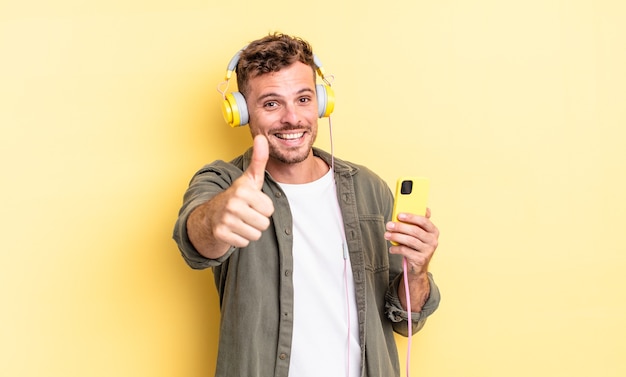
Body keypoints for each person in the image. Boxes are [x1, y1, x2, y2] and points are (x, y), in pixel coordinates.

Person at [173, 33, 440, 377]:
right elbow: (195, 239)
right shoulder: (222, 182)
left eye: (303, 99)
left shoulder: (369, 188)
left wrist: (417, 272)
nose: (292, 118)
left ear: (321, 102)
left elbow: (405, 321)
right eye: (271, 103)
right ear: (240, 112)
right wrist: (218, 217)